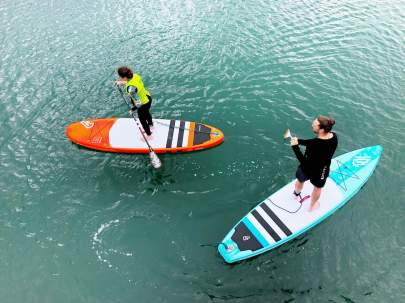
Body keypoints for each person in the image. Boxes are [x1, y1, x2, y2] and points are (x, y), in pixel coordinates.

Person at [290, 115, 338, 211]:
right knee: (318, 187)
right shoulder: (334, 136)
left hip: (307, 168)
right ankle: (312, 206)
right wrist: (298, 141)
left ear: (321, 130)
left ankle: (296, 194)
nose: (312, 125)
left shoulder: (314, 145)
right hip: (322, 171)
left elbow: (304, 161)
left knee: (300, 180)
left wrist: (295, 147)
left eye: (314, 124)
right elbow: (313, 142)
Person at [116, 66, 154, 137]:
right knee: (147, 112)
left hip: (142, 104)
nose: (120, 78)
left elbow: (139, 103)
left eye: (120, 77)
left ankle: (149, 134)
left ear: (124, 77)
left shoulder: (131, 90)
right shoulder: (135, 75)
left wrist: (132, 110)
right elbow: (131, 82)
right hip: (148, 97)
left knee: (142, 119)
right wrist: (121, 82)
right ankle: (150, 124)